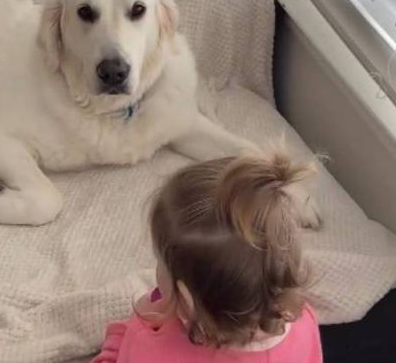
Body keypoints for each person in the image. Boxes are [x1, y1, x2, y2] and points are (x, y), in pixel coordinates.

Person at [92, 154, 323, 362]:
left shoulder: (152, 347)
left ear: (187, 298)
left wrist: (129, 333)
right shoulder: (303, 321)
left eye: (160, 259)